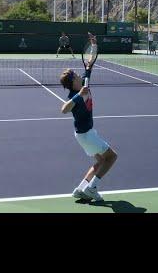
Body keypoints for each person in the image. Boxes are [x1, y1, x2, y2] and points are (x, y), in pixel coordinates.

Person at [60, 43, 118, 202]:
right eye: (76, 75)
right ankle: (92, 188)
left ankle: (80, 189)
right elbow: (64, 109)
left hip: (84, 135)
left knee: (100, 161)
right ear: (73, 82)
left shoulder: (84, 82)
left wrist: (93, 45)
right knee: (112, 157)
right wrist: (79, 95)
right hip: (86, 135)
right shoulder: (75, 94)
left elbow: (89, 63)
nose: (79, 75)